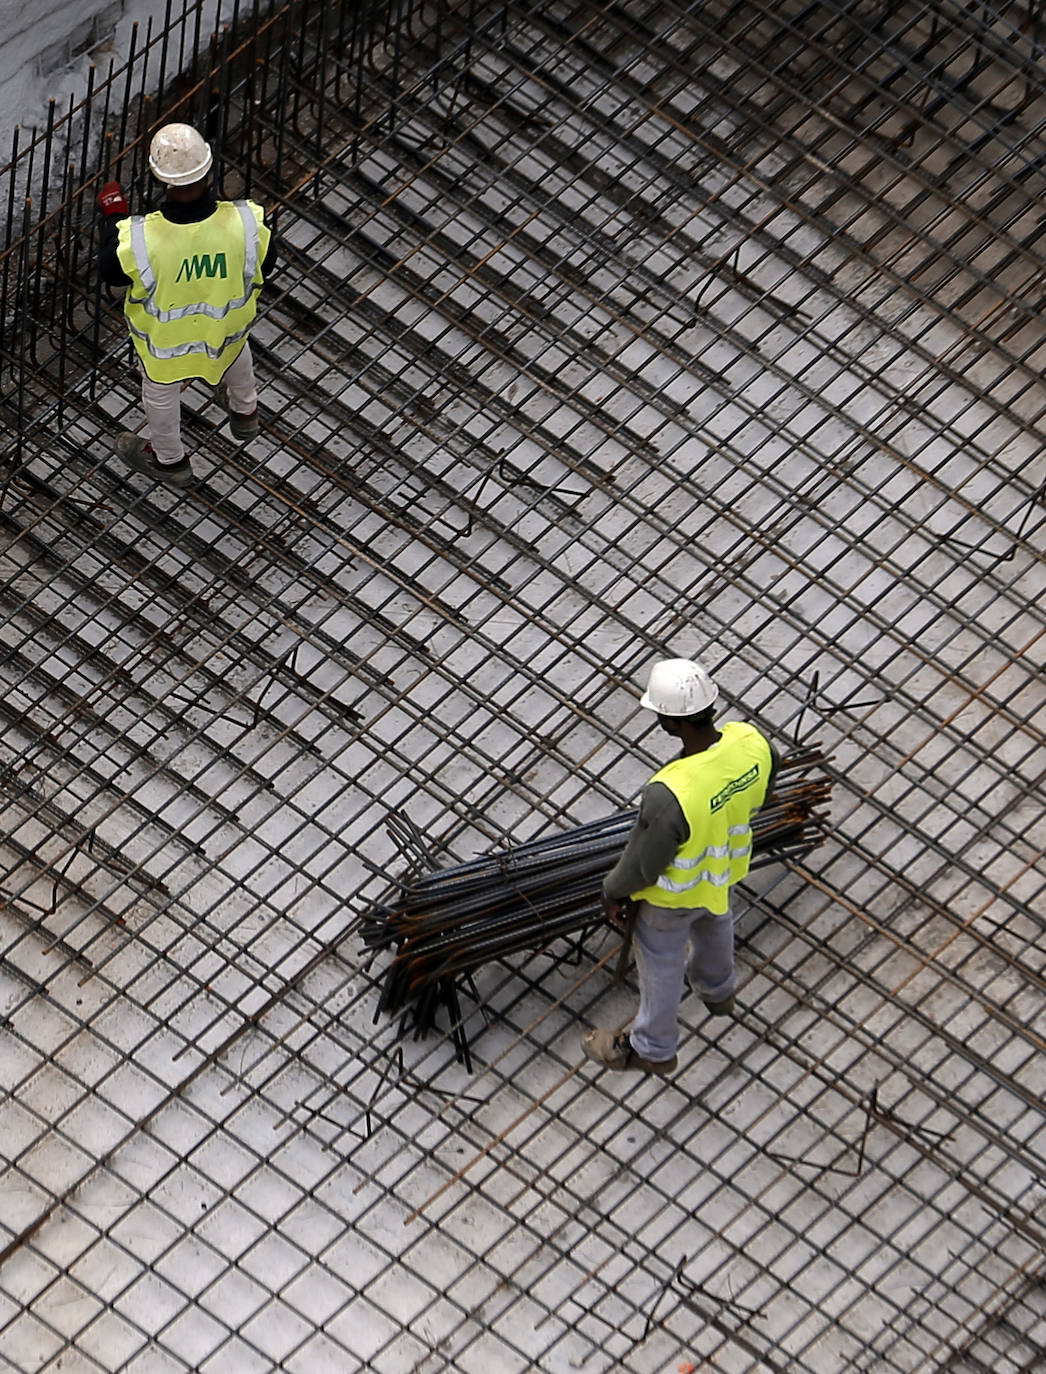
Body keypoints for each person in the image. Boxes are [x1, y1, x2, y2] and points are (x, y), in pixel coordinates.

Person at [582, 657, 777, 1076]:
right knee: (717, 923)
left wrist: (611, 891)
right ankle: (718, 992)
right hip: (724, 873)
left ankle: (653, 1049)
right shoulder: (750, 742)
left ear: (670, 723)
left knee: (662, 965)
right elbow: (766, 790)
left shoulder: (672, 791)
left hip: (671, 899)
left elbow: (643, 866)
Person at [97, 122, 277, 487]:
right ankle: (246, 413)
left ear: (159, 179)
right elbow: (266, 264)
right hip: (227, 330)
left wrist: (114, 217)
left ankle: (170, 461)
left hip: (168, 348)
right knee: (236, 355)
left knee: (160, 397)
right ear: (208, 170)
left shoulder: (140, 237)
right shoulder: (246, 220)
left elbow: (111, 272)